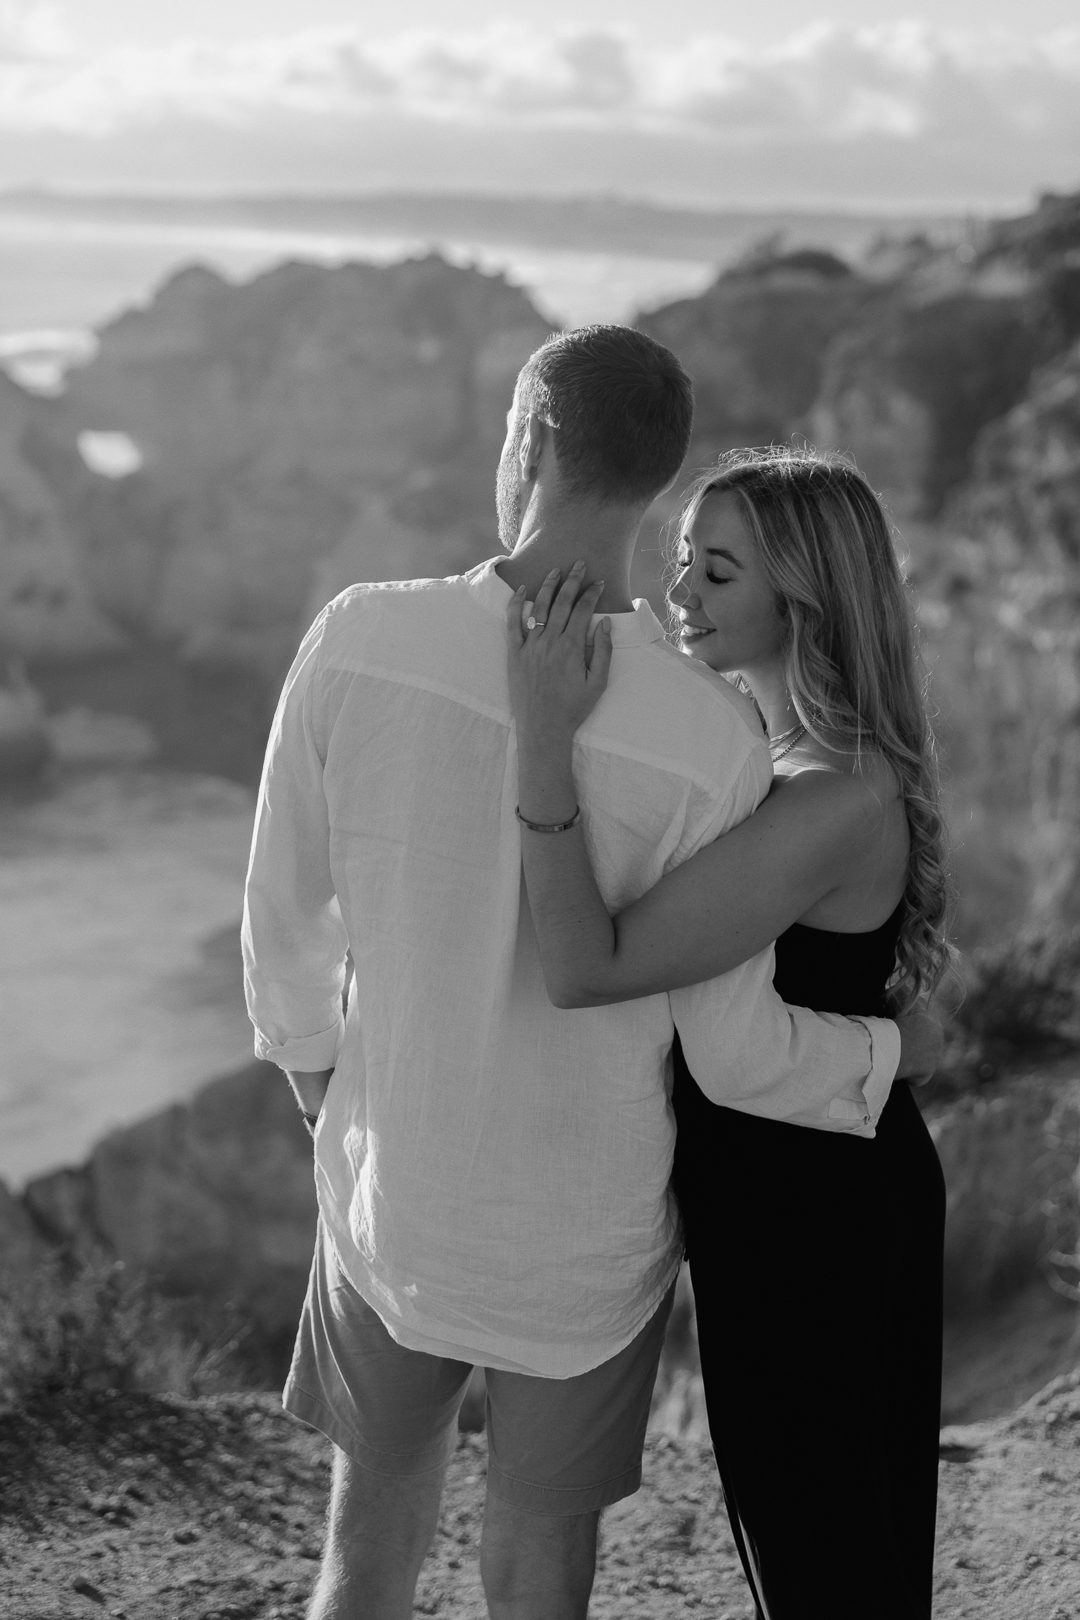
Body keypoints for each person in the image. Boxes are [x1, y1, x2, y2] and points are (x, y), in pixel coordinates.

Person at [242, 329, 939, 1620]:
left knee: (365, 1553)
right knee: (541, 1581)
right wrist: (897, 1053)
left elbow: (281, 923)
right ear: (658, 481)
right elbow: (726, 1037)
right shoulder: (715, 739)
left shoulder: (357, 637)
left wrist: (329, 1098)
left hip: (396, 1194)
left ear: (528, 441)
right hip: (584, 1238)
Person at [505, 443, 950, 1620]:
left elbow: (587, 964)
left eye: (716, 575)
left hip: (819, 1224)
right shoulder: (779, 765)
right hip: (786, 1203)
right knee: (824, 1550)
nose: (676, 600)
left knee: (831, 1561)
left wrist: (540, 743)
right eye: (682, 566)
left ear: (802, 598)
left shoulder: (827, 793)